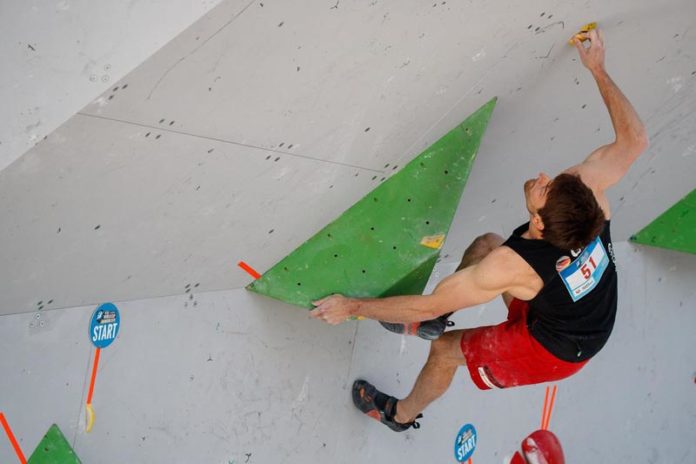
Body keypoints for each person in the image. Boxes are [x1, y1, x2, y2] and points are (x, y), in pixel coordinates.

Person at [309, 29, 648, 432]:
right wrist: (598, 70)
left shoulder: (511, 266)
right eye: (552, 181)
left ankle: (399, 415)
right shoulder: (586, 192)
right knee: (486, 242)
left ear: (538, 224)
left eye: (544, 189)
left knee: (445, 351)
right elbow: (635, 140)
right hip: (570, 307)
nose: (542, 177)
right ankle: (430, 329)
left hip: (559, 349)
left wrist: (352, 307)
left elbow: (426, 303)